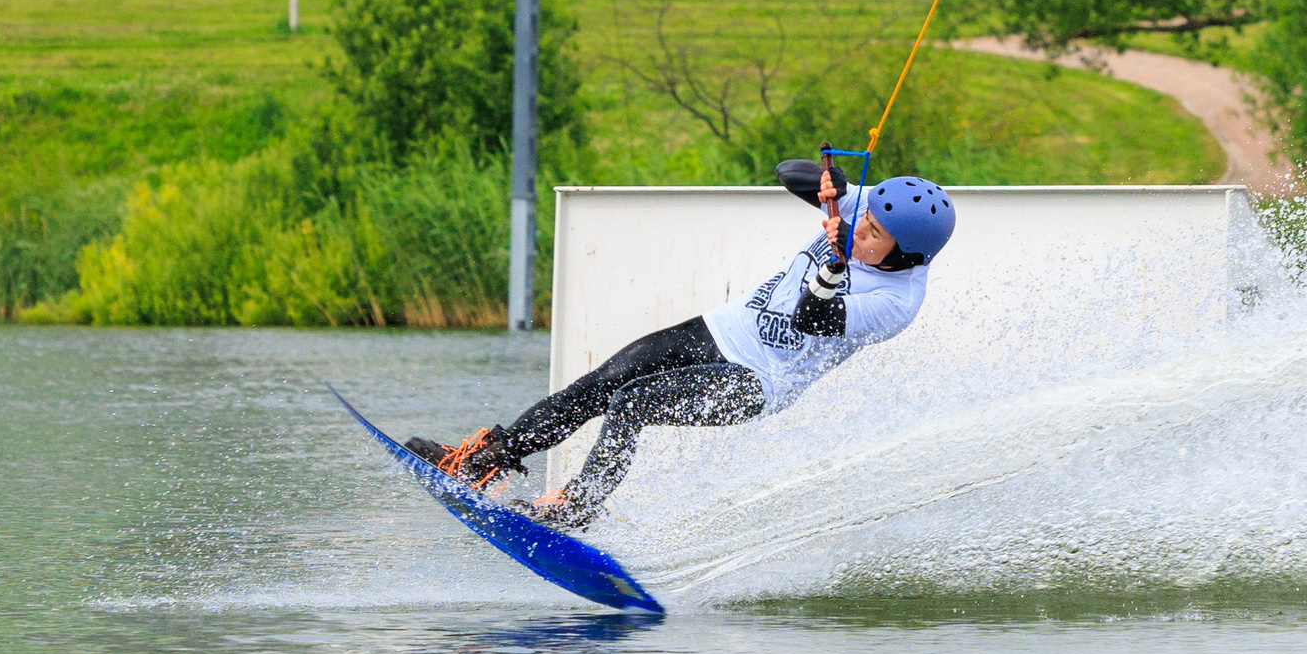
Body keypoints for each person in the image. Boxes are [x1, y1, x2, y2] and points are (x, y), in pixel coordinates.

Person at [405, 159, 955, 530]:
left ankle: (574, 508)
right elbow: (790, 172)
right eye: (864, 221)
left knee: (631, 406)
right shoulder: (867, 212)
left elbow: (813, 316)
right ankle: (482, 461)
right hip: (716, 329)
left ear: (906, 254)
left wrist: (835, 263)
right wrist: (828, 184)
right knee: (597, 385)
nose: (861, 231)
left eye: (873, 237)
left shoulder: (897, 300)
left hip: (755, 382)